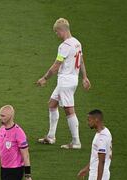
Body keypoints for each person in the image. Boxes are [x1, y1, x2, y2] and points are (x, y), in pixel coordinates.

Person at [36, 18, 91, 149]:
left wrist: (44, 78)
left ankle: (76, 142)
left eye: (57, 32)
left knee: (69, 110)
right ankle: (50, 136)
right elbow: (81, 60)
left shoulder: (64, 46)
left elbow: (56, 66)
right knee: (52, 104)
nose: (57, 35)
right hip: (72, 80)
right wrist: (85, 77)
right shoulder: (77, 43)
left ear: (62, 30)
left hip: (65, 81)